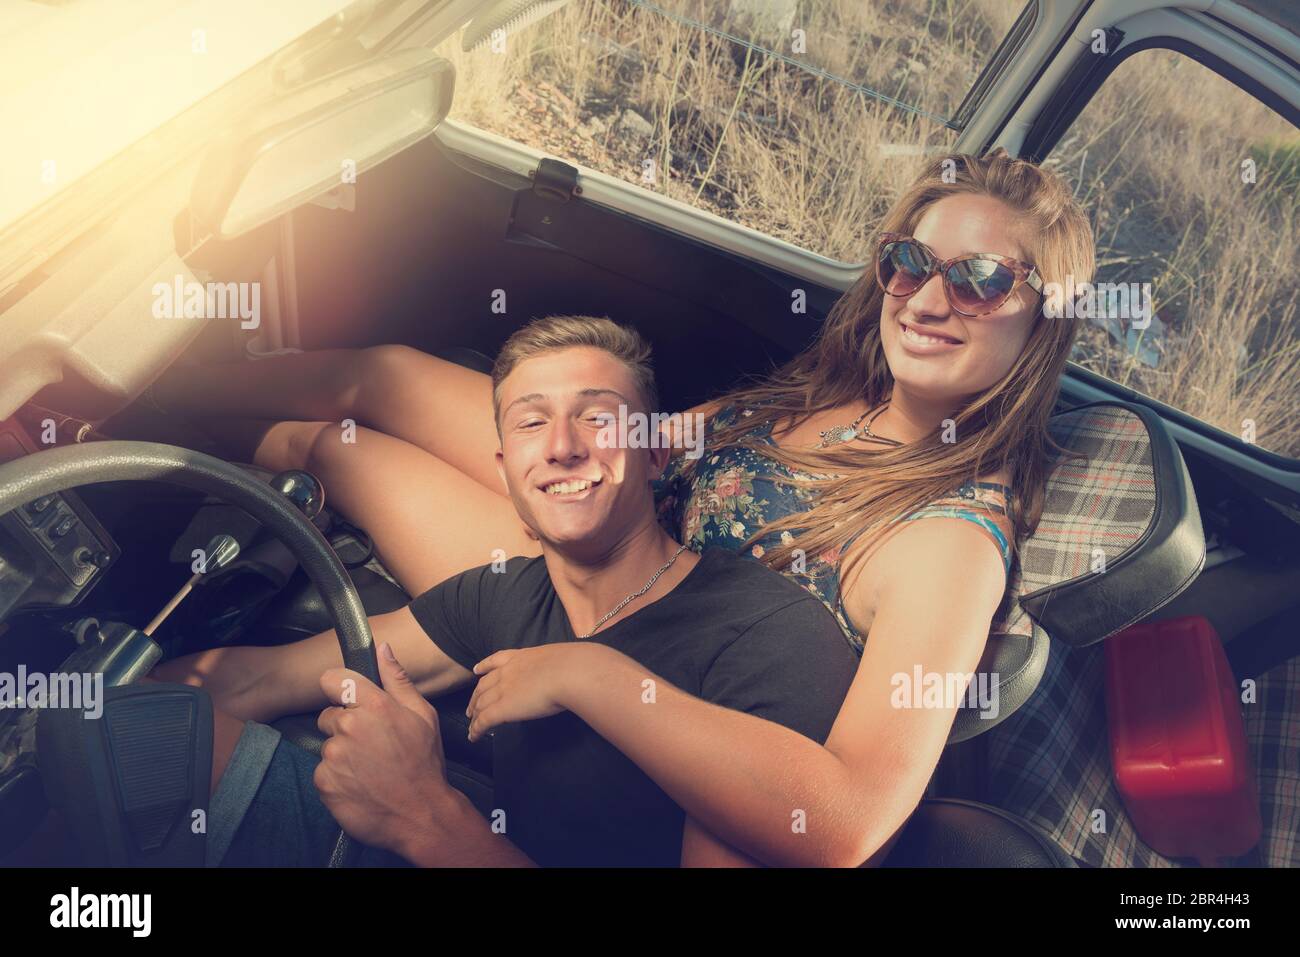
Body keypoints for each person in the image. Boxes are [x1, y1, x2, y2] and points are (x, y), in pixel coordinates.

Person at [152, 149, 1100, 866]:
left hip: (632, 634)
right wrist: (576, 447)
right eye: (909, 261)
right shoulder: (840, 390)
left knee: (333, 445)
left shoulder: (950, 543)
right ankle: (128, 396)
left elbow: (845, 817)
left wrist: (594, 673)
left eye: (978, 280)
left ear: (1041, 312)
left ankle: (237, 465)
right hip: (614, 528)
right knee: (381, 376)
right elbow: (666, 440)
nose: (929, 297)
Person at [183, 319, 860, 866]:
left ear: (657, 454)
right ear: (506, 471)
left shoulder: (769, 639)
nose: (562, 446)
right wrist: (106, 689)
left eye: (598, 418)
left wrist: (428, 817)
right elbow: (251, 681)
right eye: (532, 423)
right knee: (161, 731)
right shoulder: (507, 597)